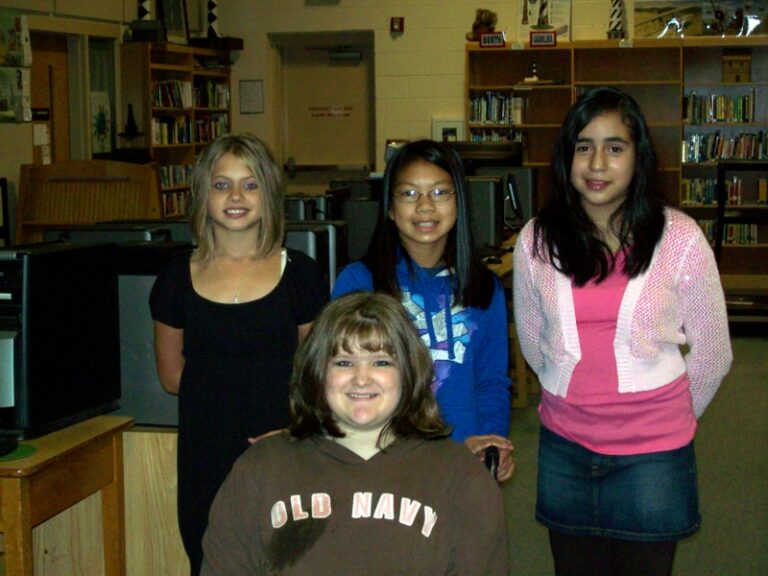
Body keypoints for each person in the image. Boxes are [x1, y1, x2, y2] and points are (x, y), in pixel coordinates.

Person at [513, 86, 733, 576]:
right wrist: (570, 395)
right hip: (565, 446)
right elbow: (533, 339)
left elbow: (714, 352)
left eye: (615, 147)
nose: (597, 163)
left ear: (638, 157)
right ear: (567, 156)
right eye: (584, 147)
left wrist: (669, 416)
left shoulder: (678, 237)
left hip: (654, 454)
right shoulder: (536, 240)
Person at [200, 292, 509, 575]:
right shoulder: (261, 468)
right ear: (317, 372)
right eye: (344, 362)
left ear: (409, 373)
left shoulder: (460, 475)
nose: (361, 379)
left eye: (381, 362)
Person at [150, 133, 328, 575]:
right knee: (210, 558)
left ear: (269, 194)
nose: (235, 196)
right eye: (221, 184)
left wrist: (294, 428)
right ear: (202, 194)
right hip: (206, 455)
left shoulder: (300, 275)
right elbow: (171, 376)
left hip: (285, 448)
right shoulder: (175, 278)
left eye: (250, 185)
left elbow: (319, 374)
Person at [332, 139, 514, 481]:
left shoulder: (483, 287)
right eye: (409, 194)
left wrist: (492, 441)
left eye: (440, 193)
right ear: (390, 207)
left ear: (459, 203)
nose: (425, 206)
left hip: (462, 461)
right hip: (381, 464)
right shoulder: (358, 282)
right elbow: (339, 383)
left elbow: (491, 382)